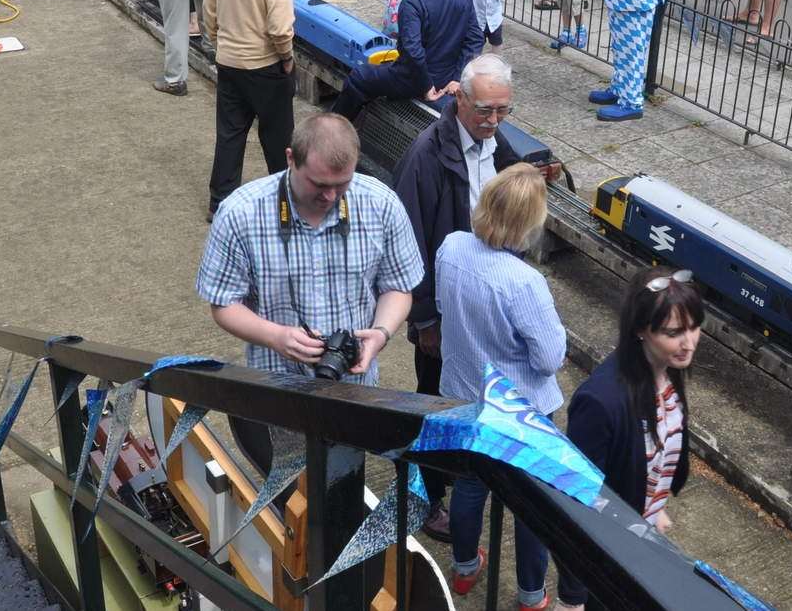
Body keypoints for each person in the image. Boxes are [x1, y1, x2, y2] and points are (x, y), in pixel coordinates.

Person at [196, 113, 423, 465]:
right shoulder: (240, 214)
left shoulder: (381, 204)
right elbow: (223, 303)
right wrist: (276, 337)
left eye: (342, 184)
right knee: (288, 493)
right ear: (290, 159)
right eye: (318, 184)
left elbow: (398, 287)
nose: (331, 196)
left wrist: (381, 332)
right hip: (277, 391)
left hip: (354, 390)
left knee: (344, 480)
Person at [391, 53, 546, 539]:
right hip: (443, 309)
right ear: (457, 97)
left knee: (467, 404)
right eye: (484, 110)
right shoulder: (426, 155)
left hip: (482, 304)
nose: (494, 121)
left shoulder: (496, 143)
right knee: (435, 404)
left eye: (503, 111)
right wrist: (423, 322)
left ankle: (461, 483)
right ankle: (425, 497)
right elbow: (408, 242)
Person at [437, 164, 565, 609]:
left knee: (470, 486)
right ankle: (531, 594)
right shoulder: (525, 282)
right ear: (529, 222)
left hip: (462, 391)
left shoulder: (452, 247)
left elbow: (441, 306)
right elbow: (549, 359)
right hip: (519, 410)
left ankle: (465, 567)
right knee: (532, 503)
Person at [556, 267, 704, 611]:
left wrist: (655, 509)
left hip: (640, 541)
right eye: (674, 332)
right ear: (640, 330)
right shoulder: (600, 401)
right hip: (606, 560)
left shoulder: (666, 372)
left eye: (694, 326)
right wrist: (572, 597)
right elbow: (576, 500)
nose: (689, 342)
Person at [202, 0, 295, 220]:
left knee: (230, 133)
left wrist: (219, 41)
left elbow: (209, 9)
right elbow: (279, 24)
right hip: (265, 63)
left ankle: (220, 202)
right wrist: (286, 57)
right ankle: (286, 205)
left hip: (229, 60)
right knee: (277, 138)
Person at [331, 0, 482, 121]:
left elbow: (413, 51)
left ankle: (334, 130)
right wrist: (458, 78)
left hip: (414, 80)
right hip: (448, 78)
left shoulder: (413, 2)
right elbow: (475, 39)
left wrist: (426, 86)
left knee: (359, 76)